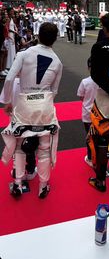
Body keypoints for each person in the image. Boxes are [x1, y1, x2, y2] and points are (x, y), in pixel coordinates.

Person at [1, 22, 63, 198]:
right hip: (45, 106)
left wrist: (6, 101)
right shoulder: (57, 62)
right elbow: (55, 91)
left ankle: (17, 185)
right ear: (55, 39)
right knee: (44, 148)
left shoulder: (24, 54)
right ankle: (43, 186)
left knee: (20, 147)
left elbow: (9, 78)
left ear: (38, 34)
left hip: (24, 104)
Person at [87, 12, 109, 192]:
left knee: (102, 140)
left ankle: (101, 180)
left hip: (105, 96)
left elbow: (95, 74)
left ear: (104, 27)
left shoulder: (99, 46)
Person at [77, 57, 98, 167]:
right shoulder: (103, 81)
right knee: (100, 137)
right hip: (100, 114)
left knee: (89, 137)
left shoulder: (85, 82)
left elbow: (81, 96)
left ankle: (90, 157)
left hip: (87, 114)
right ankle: (100, 156)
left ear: (88, 68)